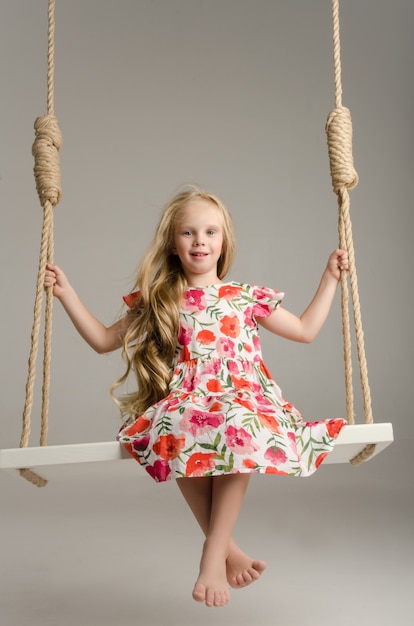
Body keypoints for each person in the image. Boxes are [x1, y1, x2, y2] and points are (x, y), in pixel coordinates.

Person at [44, 185, 348, 608]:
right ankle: (227, 549)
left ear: (224, 242)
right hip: (189, 399)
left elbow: (305, 330)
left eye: (210, 232)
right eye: (188, 233)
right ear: (173, 242)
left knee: (238, 426)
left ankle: (212, 554)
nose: (200, 241)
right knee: (173, 427)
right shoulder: (160, 298)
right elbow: (102, 340)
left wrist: (330, 278)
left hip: (243, 396)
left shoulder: (244, 296)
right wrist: (66, 294)